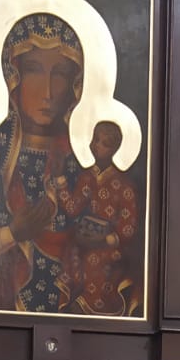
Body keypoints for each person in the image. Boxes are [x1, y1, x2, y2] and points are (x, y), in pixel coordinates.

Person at [0, 12, 84, 312]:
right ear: (12, 76)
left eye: (60, 74)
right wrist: (10, 235)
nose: (47, 92)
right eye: (33, 71)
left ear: (75, 84)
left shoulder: (82, 166)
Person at [53, 119, 142, 316]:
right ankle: (72, 307)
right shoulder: (88, 177)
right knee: (71, 252)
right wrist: (60, 178)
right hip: (86, 239)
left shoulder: (124, 184)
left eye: (104, 143)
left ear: (114, 149)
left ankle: (89, 308)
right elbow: (73, 207)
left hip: (110, 246)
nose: (96, 146)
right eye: (95, 140)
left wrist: (106, 239)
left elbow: (129, 225)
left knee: (97, 262)